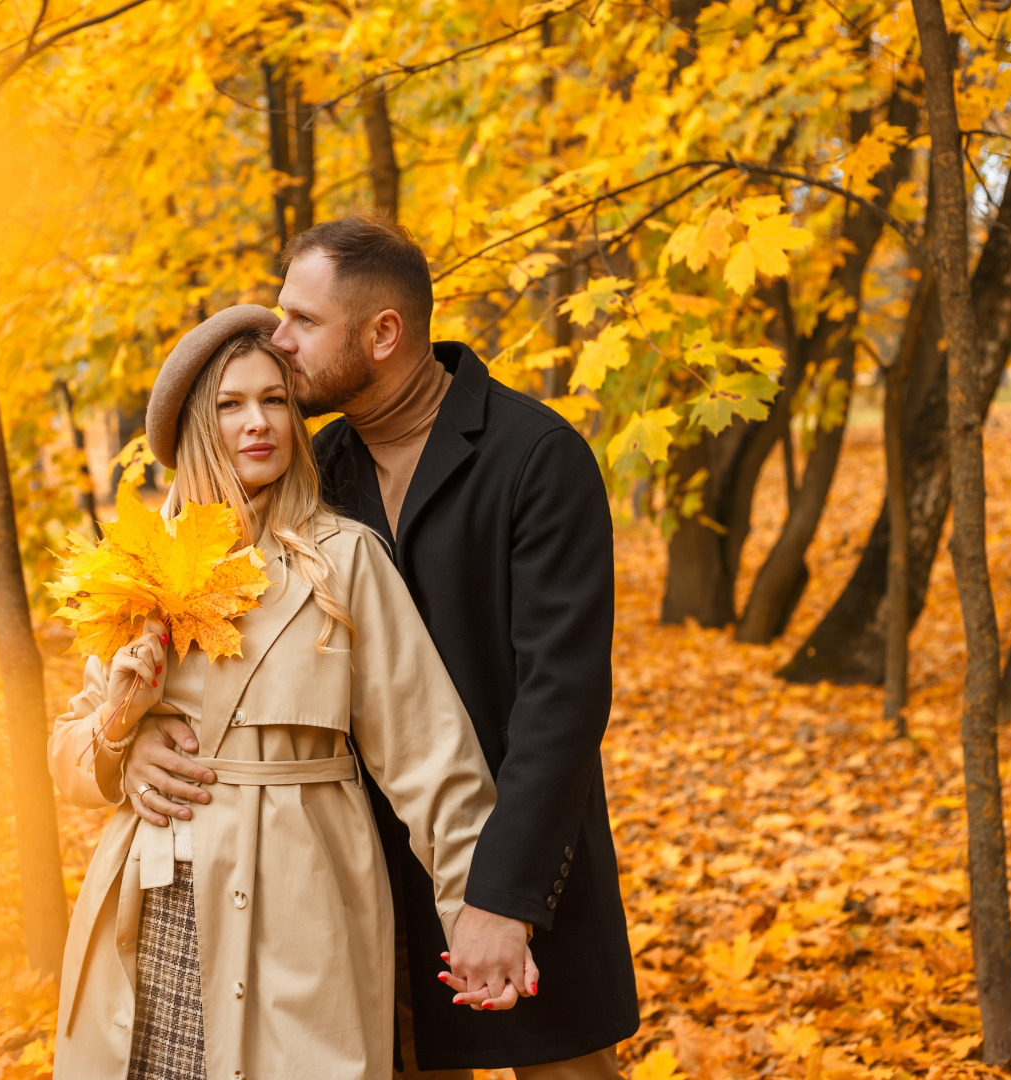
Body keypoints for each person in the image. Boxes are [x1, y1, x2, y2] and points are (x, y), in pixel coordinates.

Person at [124, 217, 639, 1078]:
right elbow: (225, 651)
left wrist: (501, 899)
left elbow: (564, 701)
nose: (279, 343)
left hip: (519, 857)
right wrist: (136, 732)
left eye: (302, 322)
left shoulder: (535, 458)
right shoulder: (314, 468)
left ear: (384, 335)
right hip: (355, 882)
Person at [47, 306, 517, 1080]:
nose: (258, 423)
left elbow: (432, 761)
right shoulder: (137, 569)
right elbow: (67, 751)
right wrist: (119, 739)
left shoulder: (346, 562)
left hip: (301, 905)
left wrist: (476, 915)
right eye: (231, 405)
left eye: (275, 401)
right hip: (155, 901)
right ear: (200, 427)